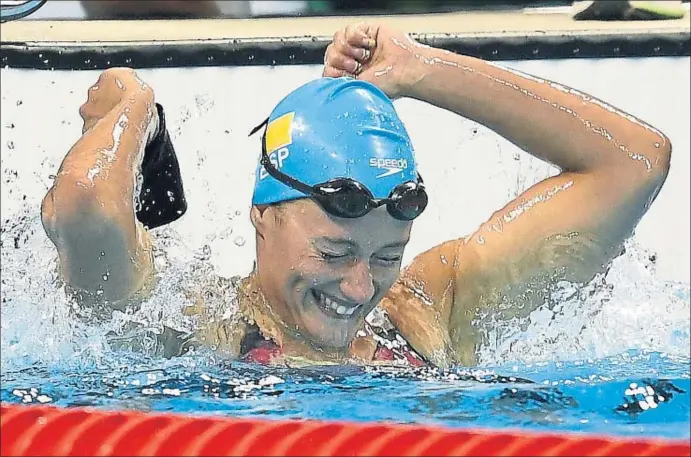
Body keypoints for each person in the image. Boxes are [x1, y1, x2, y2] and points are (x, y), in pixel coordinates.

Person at [41, 22, 671, 368]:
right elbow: (88, 203)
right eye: (335, 253)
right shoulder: (188, 329)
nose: (360, 288)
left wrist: (421, 71)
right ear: (262, 216)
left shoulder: (428, 313)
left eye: (386, 256)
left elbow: (632, 162)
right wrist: (130, 107)